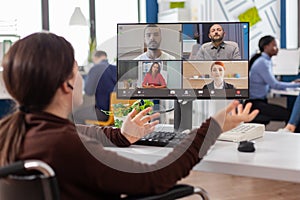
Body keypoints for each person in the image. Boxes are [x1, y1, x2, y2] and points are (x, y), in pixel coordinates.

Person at [0, 32, 258, 200]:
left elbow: (82, 131)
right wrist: (213, 127)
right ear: (67, 84)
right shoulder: (63, 144)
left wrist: (121, 135)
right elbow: (154, 177)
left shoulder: (13, 130)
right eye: (77, 71)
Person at [245, 35, 300, 130]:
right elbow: (274, 85)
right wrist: (296, 85)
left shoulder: (265, 60)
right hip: (255, 104)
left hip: (259, 102)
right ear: (266, 47)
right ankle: (292, 138)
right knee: (290, 115)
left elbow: (271, 84)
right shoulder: (262, 62)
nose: (277, 48)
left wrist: (292, 83)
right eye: (274, 45)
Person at [75, 50, 117, 123]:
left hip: (103, 113)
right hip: (116, 113)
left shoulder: (95, 68)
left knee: (76, 114)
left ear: (95, 58)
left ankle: (82, 134)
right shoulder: (115, 68)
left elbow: (89, 91)